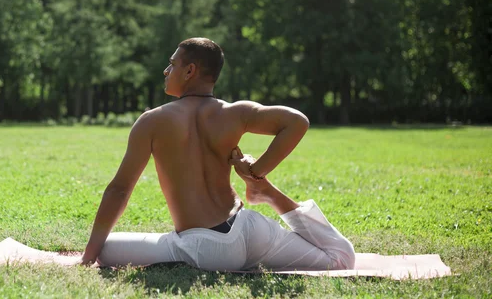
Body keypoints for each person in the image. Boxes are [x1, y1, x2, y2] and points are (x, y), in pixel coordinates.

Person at [79, 38, 355, 271]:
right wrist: (258, 170)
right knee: (341, 259)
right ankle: (267, 193)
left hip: (203, 247)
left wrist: (88, 257)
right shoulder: (235, 113)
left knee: (107, 249)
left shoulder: (152, 121)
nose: (166, 70)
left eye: (172, 64)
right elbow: (297, 121)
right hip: (249, 230)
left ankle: (264, 192)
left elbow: (119, 190)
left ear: (189, 71)